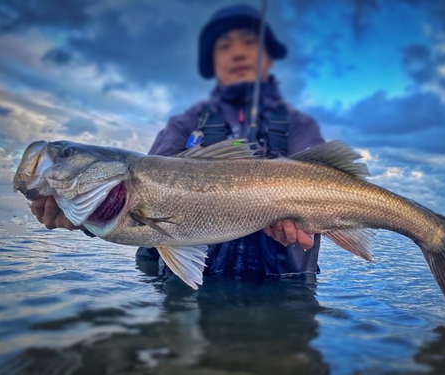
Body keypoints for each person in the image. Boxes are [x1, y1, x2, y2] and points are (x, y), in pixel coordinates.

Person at [30, 4, 325, 280]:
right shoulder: (184, 124)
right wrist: (85, 216)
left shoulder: (299, 126)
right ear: (212, 61)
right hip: (190, 298)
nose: (237, 54)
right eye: (224, 46)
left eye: (249, 44)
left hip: (285, 291)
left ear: (268, 58)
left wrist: (304, 221)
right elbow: (138, 198)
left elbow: (329, 192)